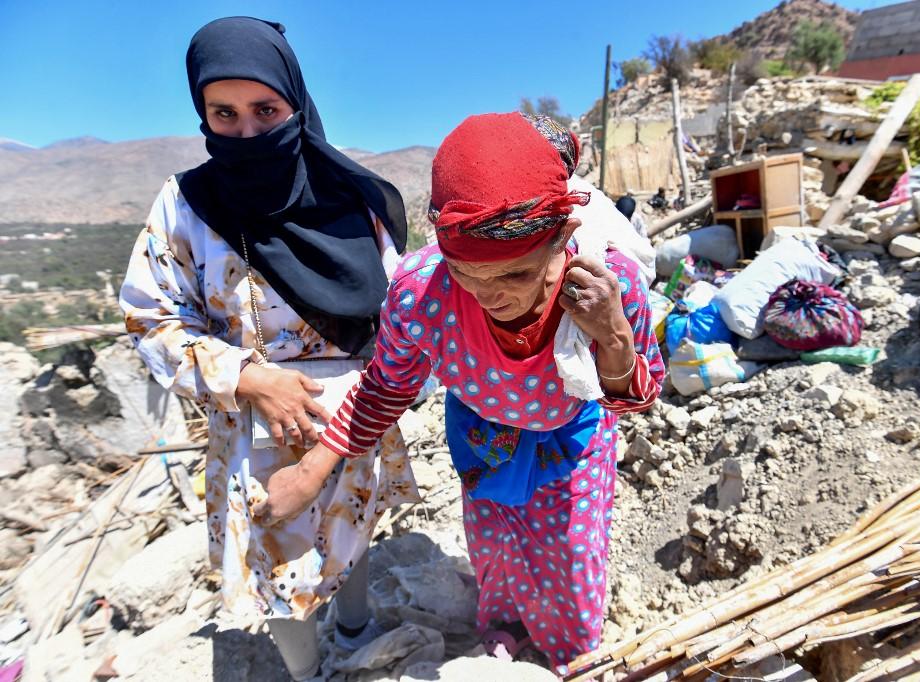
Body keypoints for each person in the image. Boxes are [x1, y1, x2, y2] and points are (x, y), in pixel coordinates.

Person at [254, 112, 666, 670]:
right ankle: (506, 630)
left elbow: (635, 397)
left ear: (562, 238)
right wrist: (307, 475)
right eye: (468, 275)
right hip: (484, 440)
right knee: (495, 553)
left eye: (516, 276)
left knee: (569, 557)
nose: (490, 296)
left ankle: (569, 655)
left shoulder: (605, 288)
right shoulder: (421, 290)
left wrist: (613, 335)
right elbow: (384, 390)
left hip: (570, 442)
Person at [119, 17, 418, 680]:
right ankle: (310, 672)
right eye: (223, 114)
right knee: (279, 563)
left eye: (265, 110)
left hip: (357, 414)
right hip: (255, 426)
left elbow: (402, 309)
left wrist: (375, 390)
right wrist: (250, 379)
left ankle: (356, 630)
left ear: (295, 101)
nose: (248, 132)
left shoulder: (350, 196)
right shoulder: (185, 206)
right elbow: (149, 319)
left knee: (355, 525)